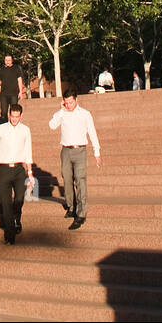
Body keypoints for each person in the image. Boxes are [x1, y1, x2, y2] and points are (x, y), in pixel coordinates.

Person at [48, 89, 101, 230]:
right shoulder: (62, 114)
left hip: (80, 150)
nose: (69, 105)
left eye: (71, 102)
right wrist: (61, 111)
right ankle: (71, 207)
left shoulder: (85, 114)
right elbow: (52, 125)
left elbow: (92, 132)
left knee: (80, 180)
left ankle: (81, 213)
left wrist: (97, 151)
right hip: (66, 150)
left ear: (76, 100)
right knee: (67, 179)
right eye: (66, 102)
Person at [0, 102, 33, 244]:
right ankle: (10, 234)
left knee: (19, 198)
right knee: (5, 203)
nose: (14, 119)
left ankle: (16, 218)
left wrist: (30, 172)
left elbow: (28, 151)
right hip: (4, 169)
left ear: (21, 116)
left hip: (20, 170)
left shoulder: (25, 130)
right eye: (12, 116)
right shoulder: (0, 129)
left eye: (17, 117)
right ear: (9, 114)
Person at [0, 53, 25, 122]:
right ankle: (6, 126)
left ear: (12, 60)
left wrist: (21, 92)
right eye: (6, 60)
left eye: (9, 60)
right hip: (4, 94)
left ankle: (14, 126)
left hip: (14, 94)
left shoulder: (16, 68)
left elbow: (19, 80)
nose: (7, 61)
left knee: (14, 112)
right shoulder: (1, 69)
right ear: (4, 60)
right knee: (3, 112)